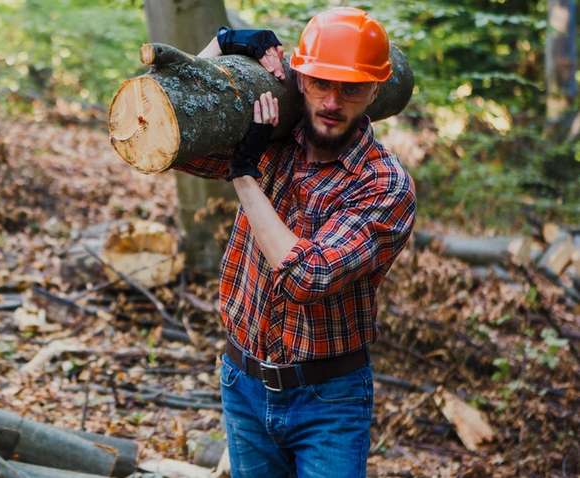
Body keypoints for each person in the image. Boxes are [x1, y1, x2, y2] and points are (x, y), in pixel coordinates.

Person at [173, 7, 417, 478]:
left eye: (350, 88)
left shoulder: (384, 184)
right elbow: (166, 131)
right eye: (321, 83)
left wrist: (244, 175)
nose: (332, 101)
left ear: (374, 90)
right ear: (300, 79)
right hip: (244, 384)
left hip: (329, 402)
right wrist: (220, 45)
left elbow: (307, 276)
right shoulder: (270, 136)